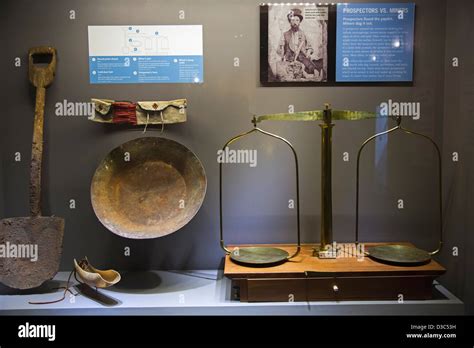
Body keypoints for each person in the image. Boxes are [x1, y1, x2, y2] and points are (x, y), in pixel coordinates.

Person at [276, 8, 322, 76]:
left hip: (303, 59)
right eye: (293, 20)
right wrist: (281, 49)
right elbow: (279, 51)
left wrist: (308, 53)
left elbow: (309, 47)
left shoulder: (303, 34)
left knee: (314, 71)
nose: (295, 22)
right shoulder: (285, 34)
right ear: (290, 21)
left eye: (297, 20)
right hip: (289, 60)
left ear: (300, 22)